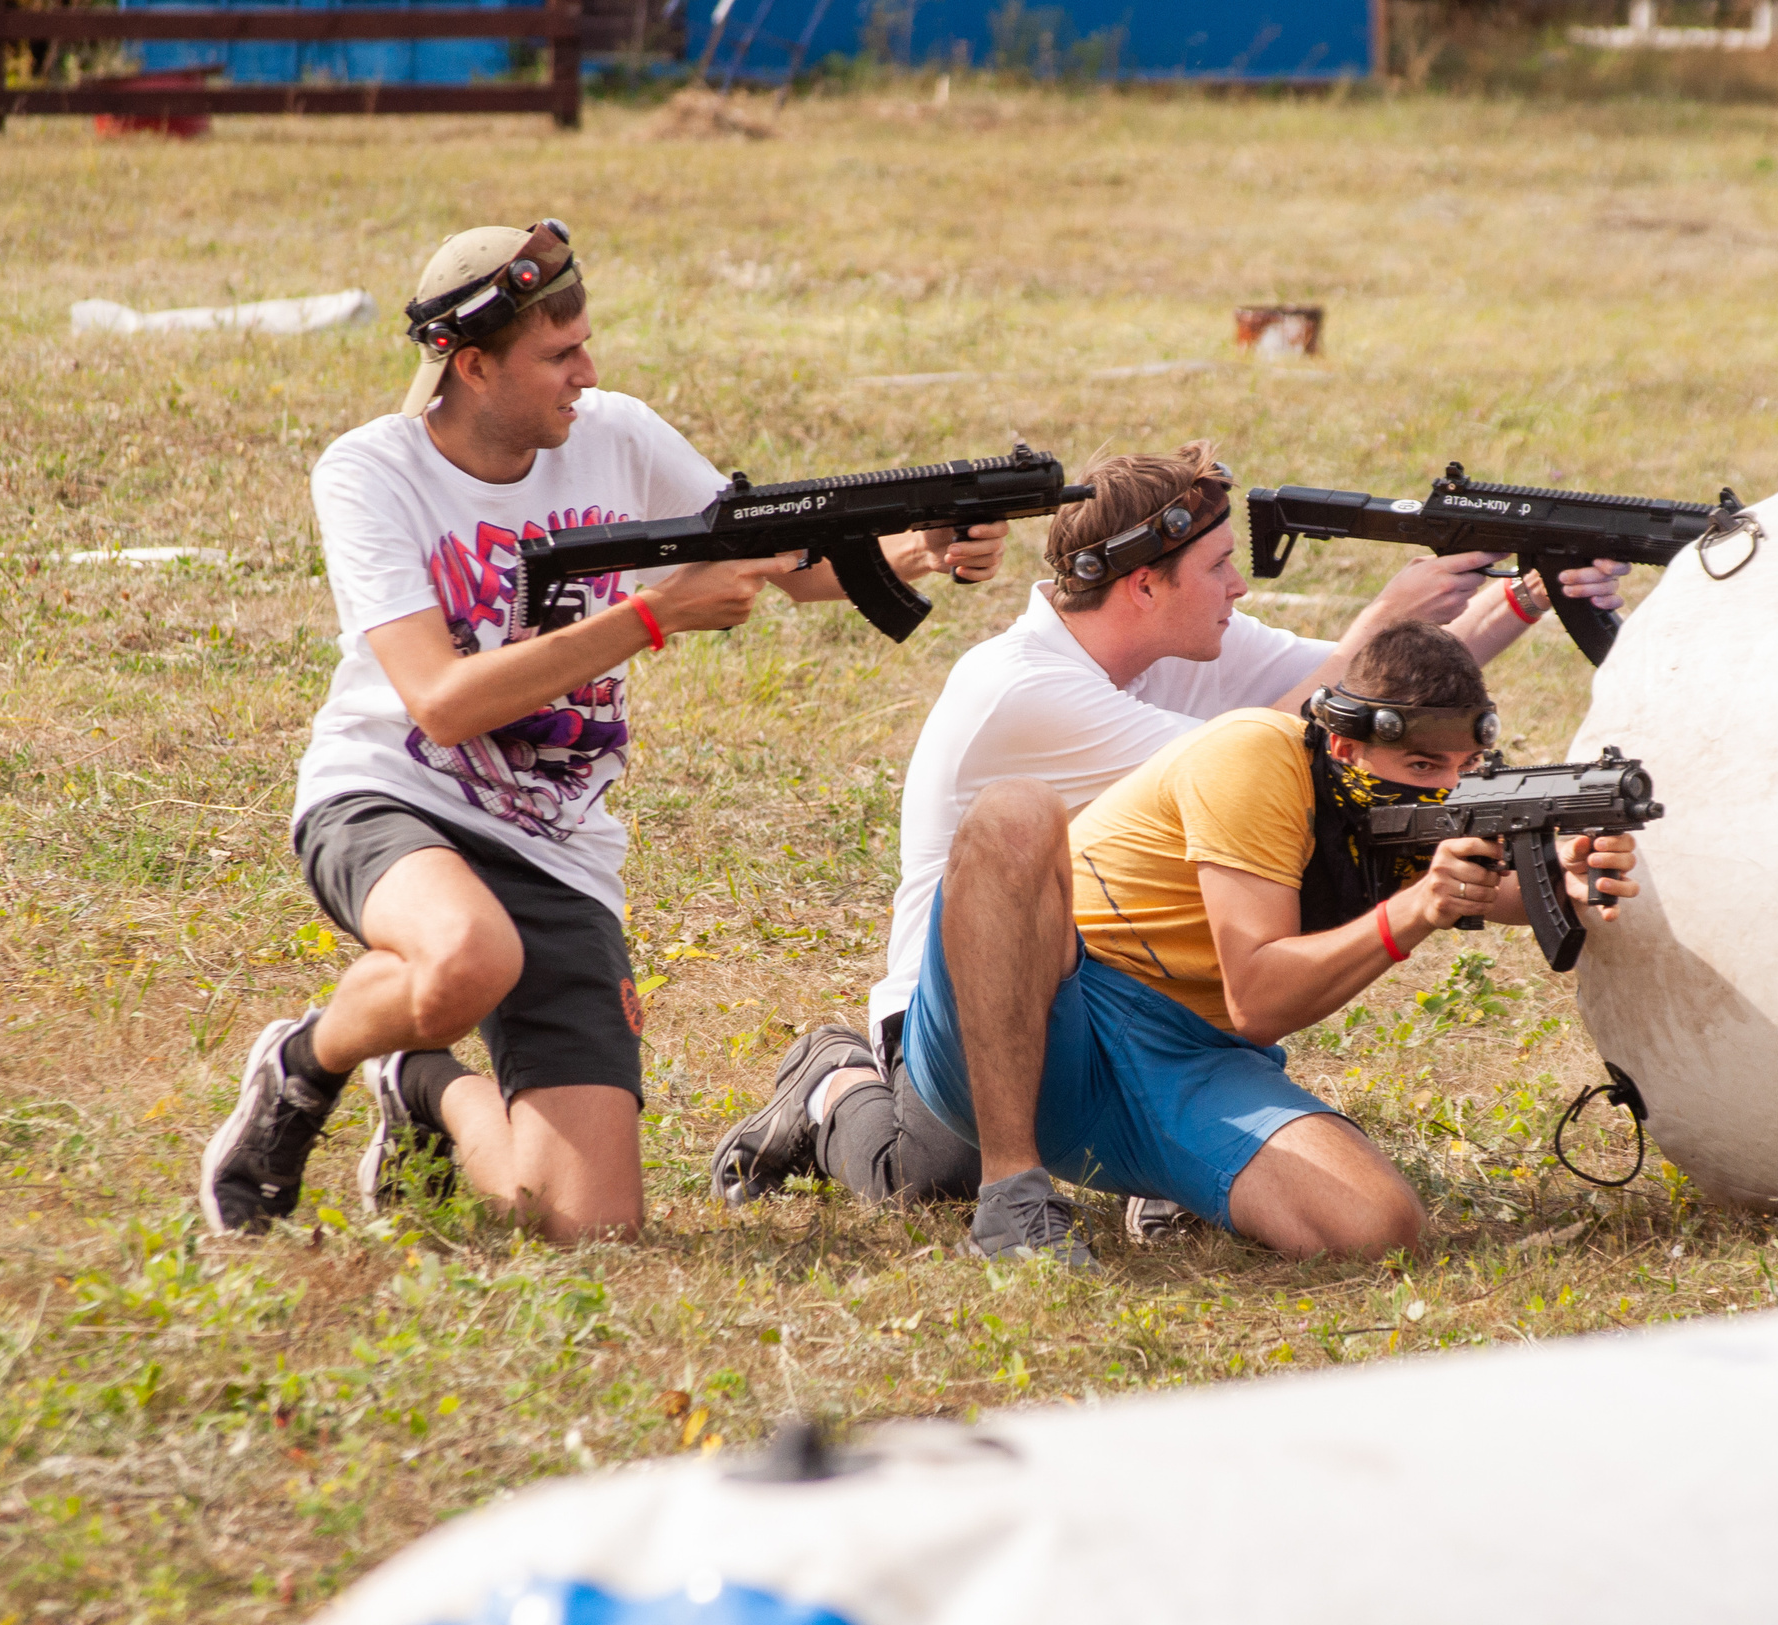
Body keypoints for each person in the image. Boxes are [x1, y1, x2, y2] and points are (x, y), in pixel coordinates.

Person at [195, 218, 1006, 1243]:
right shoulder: (371, 473)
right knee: (464, 962)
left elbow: (777, 563)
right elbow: (441, 701)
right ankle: (303, 1068)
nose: (589, 371)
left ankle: (427, 1091)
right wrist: (655, 615)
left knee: (589, 1224)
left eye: (585, 344)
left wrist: (924, 548)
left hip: (557, 845)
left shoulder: (614, 435)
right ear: (474, 365)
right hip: (394, 797)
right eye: (559, 355)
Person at [709, 441, 1632, 1241]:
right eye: (1220, 565)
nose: (1240, 584)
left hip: (1146, 993)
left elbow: (1378, 720)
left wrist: (1520, 596)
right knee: (930, 1170)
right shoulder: (1021, 689)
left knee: (1362, 1217)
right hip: (967, 996)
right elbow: (1291, 749)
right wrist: (1393, 615)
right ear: (1146, 583)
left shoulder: (1191, 644)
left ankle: (1174, 1168)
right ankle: (830, 1080)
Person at [899, 620, 1640, 1264]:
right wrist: (1416, 910)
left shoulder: (1397, 803)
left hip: (1187, 1058)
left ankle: (1179, 1188)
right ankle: (1010, 1196)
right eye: (1422, 767)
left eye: (1463, 770)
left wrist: (1568, 874)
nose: (1446, 790)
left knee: (1377, 1226)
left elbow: (1491, 889)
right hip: (1029, 1015)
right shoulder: (1253, 754)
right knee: (1015, 812)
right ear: (1346, 747)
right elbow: (1257, 999)